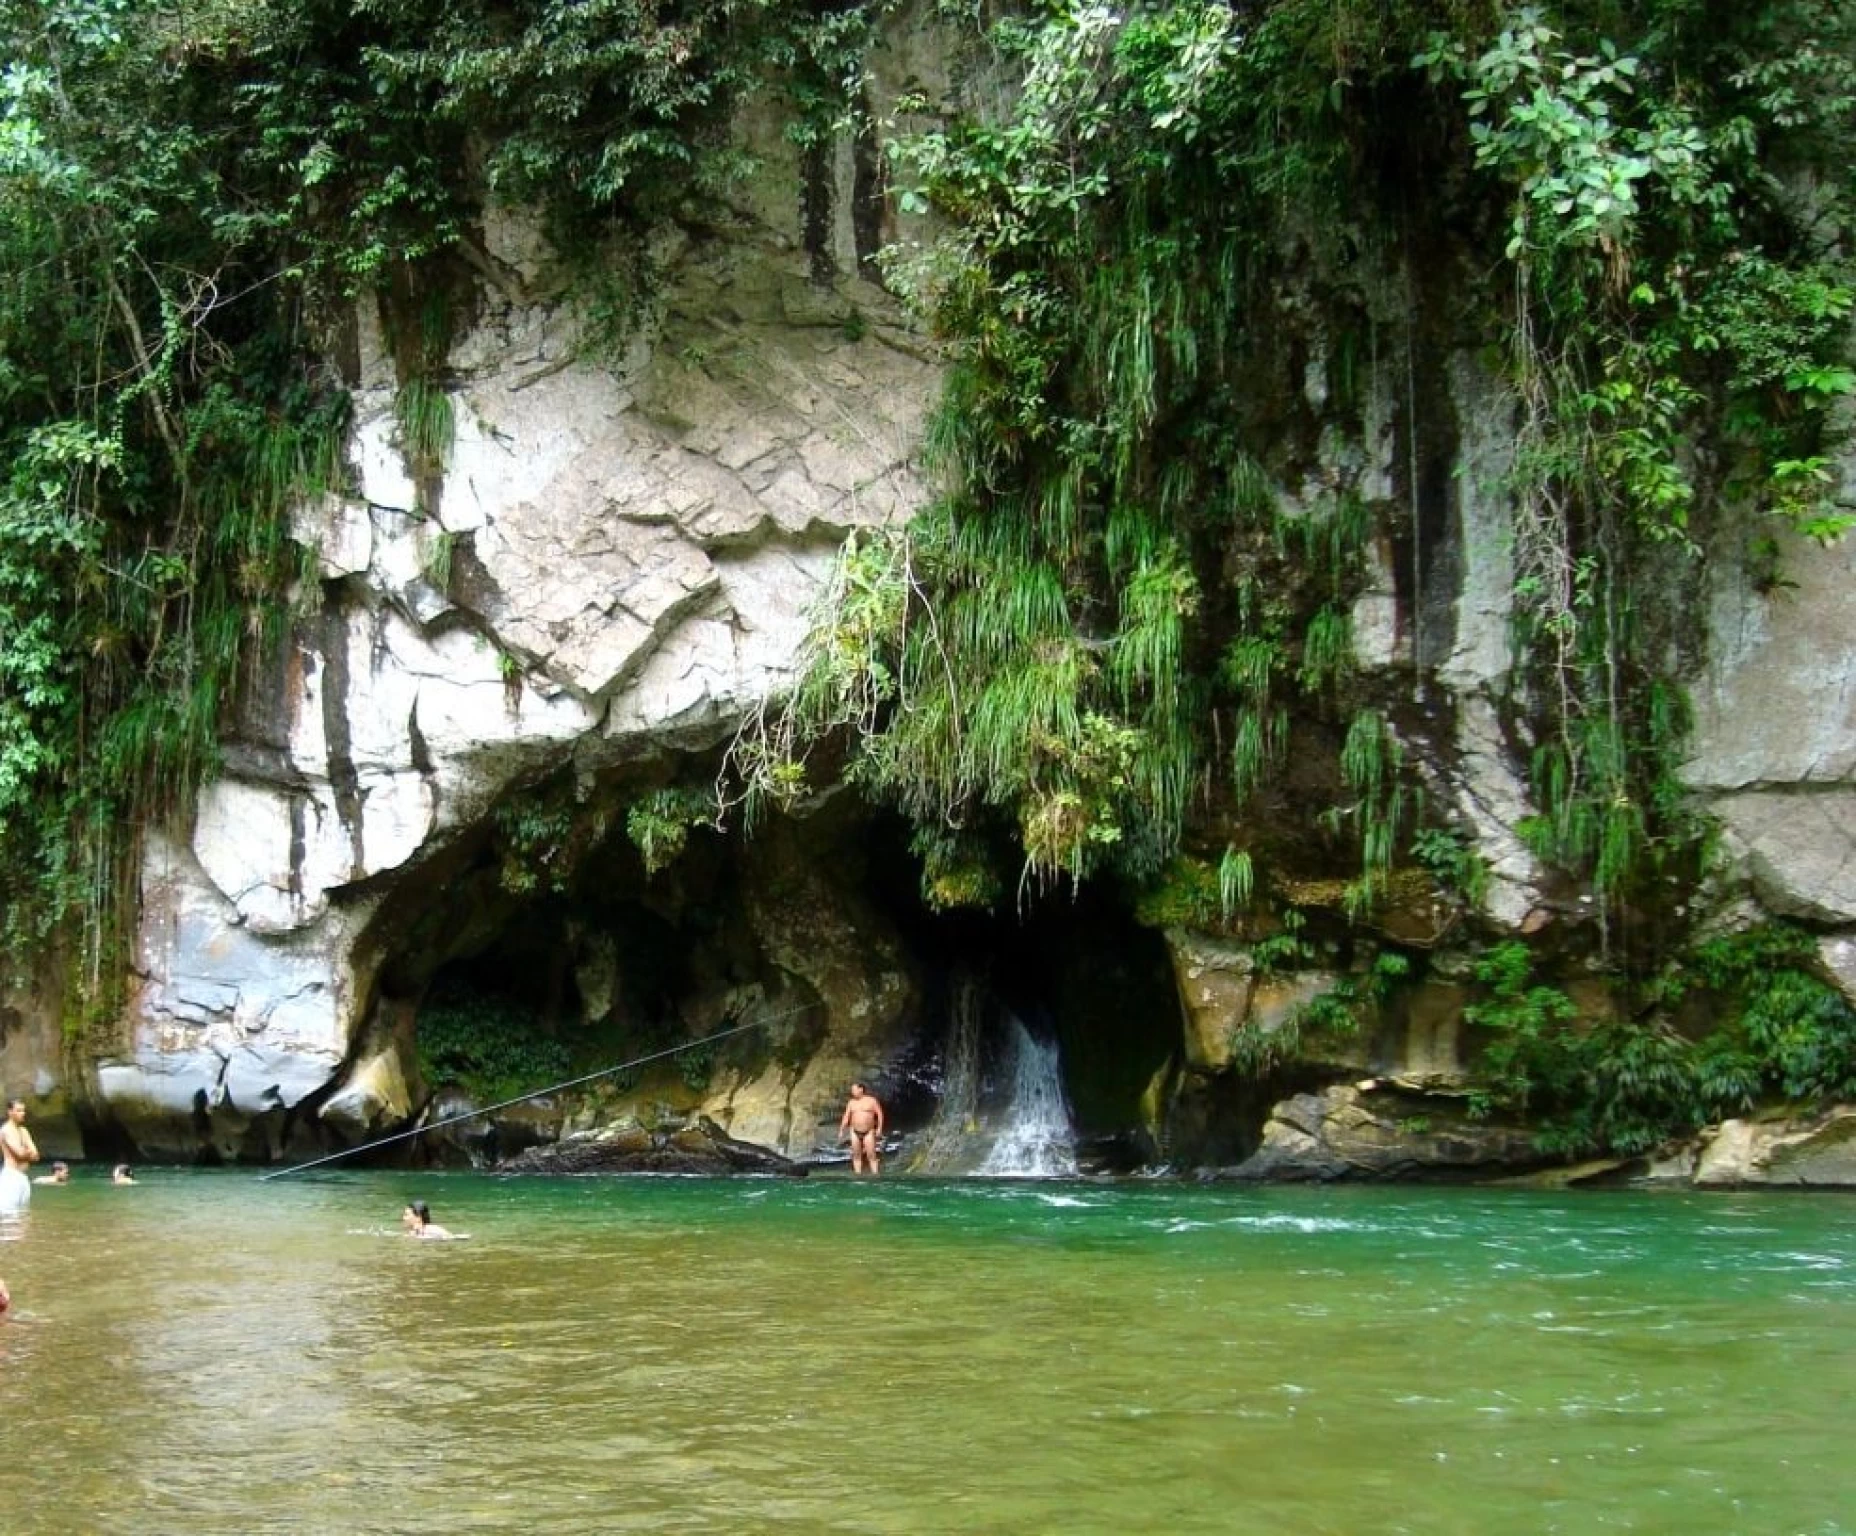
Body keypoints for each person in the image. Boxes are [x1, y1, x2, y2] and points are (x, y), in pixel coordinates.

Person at [838, 1081, 886, 1176]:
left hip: (869, 1131)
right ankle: (858, 1175)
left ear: (861, 1089)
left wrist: (879, 1128)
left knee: (871, 1155)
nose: (852, 1091)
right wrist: (841, 1130)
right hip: (854, 1131)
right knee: (856, 1155)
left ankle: (875, 1175)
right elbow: (846, 1117)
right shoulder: (851, 1102)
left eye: (854, 1089)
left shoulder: (871, 1101)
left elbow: (880, 1114)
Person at [0, 1099, 39, 1213]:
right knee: (9, 1217)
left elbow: (36, 1156)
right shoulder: (6, 1130)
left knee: (24, 1215)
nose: (23, 1113)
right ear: (10, 1112)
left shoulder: (23, 1131)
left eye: (23, 1111)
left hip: (23, 1177)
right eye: (19, 1110)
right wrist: (27, 1152)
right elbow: (20, 1153)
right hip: (11, 1177)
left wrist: (26, 1153)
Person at [401, 1201, 466, 1240]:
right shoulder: (412, 1232)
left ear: (418, 1217)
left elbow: (453, 1237)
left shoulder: (432, 1229)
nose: (403, 1218)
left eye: (407, 1215)